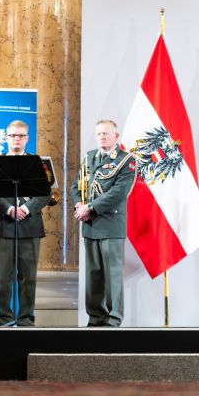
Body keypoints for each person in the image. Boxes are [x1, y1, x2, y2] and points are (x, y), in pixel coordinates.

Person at [0, 119, 56, 326]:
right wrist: (10, 209)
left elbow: (46, 193)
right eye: (12, 135)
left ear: (27, 138)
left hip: (30, 225)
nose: (16, 139)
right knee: (3, 278)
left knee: (28, 277)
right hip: (4, 225)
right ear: (6, 137)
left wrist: (25, 209)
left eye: (20, 136)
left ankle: (26, 319)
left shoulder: (39, 163)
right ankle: (4, 318)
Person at [71, 119, 138, 327]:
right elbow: (76, 184)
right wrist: (79, 204)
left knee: (113, 276)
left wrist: (91, 208)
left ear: (116, 137)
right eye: (99, 133)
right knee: (93, 276)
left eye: (106, 134)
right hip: (90, 225)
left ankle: (114, 318)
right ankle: (95, 317)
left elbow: (118, 193)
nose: (102, 137)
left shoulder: (127, 160)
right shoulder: (90, 157)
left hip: (110, 225)